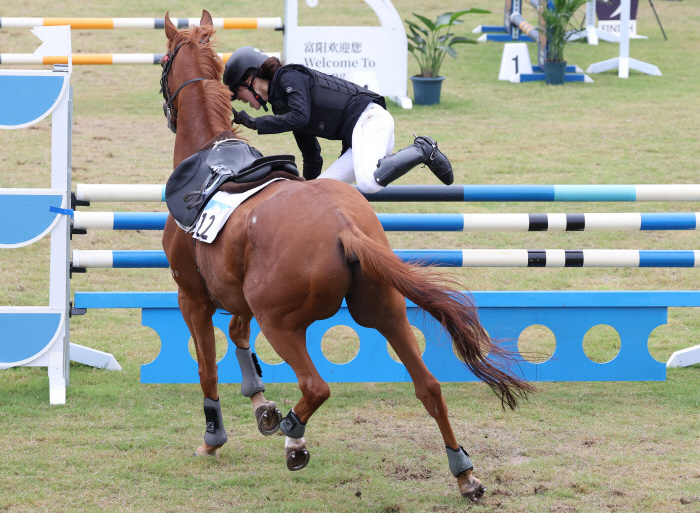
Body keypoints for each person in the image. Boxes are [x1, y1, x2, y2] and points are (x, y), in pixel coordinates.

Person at [222, 46, 453, 193]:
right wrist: (304, 191)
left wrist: (253, 122)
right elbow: (312, 155)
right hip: (361, 136)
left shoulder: (288, 76)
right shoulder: (282, 105)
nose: (238, 99)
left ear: (250, 79)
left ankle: (423, 148)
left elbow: (299, 117)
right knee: (318, 193)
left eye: (237, 91)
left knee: (369, 183)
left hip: (371, 121)